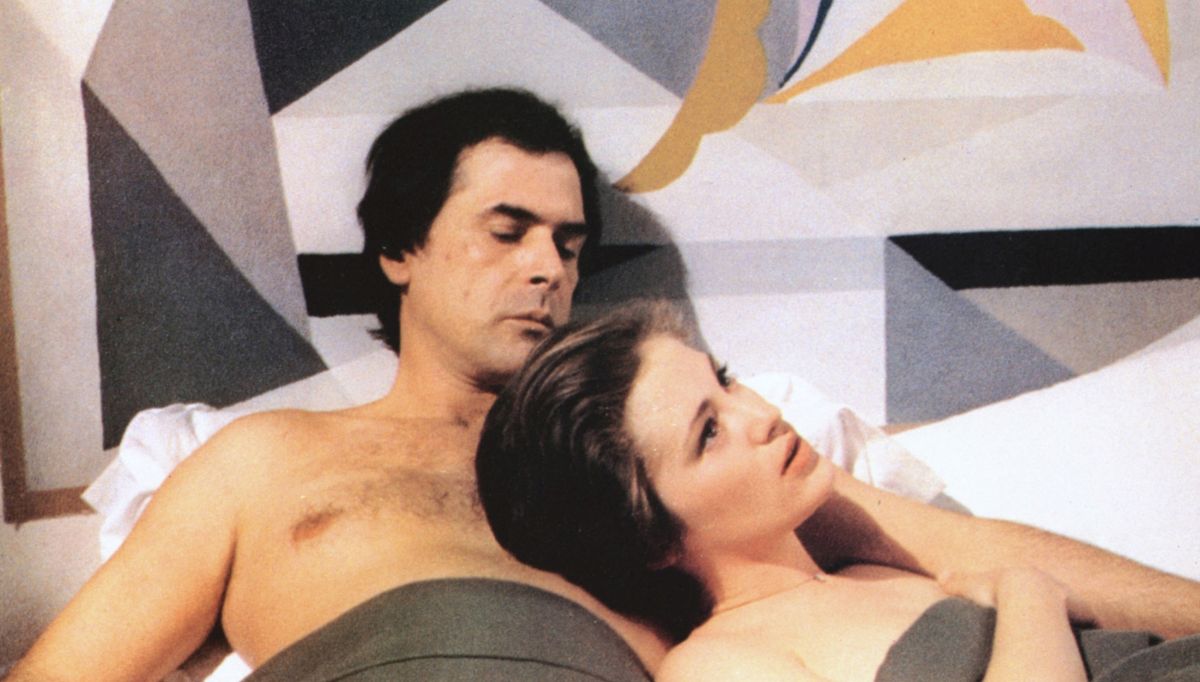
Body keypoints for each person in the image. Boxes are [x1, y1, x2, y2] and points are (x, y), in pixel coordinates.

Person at [8, 88, 1198, 681]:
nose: (548, 268)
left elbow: (966, 547)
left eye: (569, 244)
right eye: (508, 230)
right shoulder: (263, 462)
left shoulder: (668, 464)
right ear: (400, 248)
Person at [476, 302, 1200, 681]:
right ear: (651, 537)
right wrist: (1029, 595)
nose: (762, 414)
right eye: (710, 432)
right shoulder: (718, 668)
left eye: (725, 381)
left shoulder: (872, 565)